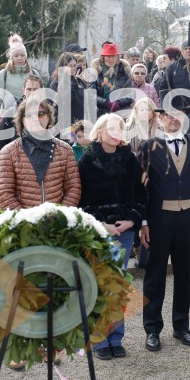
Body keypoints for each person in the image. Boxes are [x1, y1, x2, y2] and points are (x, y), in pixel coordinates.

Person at [78, 113, 146, 359]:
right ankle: (98, 340)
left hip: (124, 232)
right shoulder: (87, 161)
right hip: (98, 232)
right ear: (99, 131)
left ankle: (115, 337)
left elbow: (141, 194)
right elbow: (81, 200)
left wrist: (132, 220)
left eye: (120, 128)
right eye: (111, 129)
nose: (116, 133)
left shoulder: (130, 159)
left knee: (117, 285)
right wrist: (101, 224)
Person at [138, 108, 190, 352]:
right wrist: (143, 223)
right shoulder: (147, 146)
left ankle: (181, 326)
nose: (174, 118)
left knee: (184, 274)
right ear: (160, 118)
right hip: (158, 219)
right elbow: (141, 188)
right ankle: (152, 329)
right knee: (155, 275)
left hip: (188, 218)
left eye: (179, 113)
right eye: (168, 114)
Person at [0, 98, 81, 209]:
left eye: (41, 114)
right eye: (29, 115)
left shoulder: (65, 150)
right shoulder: (8, 152)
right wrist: (26, 218)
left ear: (49, 118)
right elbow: (4, 193)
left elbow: (73, 187)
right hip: (22, 219)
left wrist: (60, 215)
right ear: (22, 120)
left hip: (57, 218)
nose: (35, 119)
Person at [0, 43, 39, 111]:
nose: (19, 58)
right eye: (16, 56)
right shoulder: (3, 74)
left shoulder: (34, 73)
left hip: (30, 113)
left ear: (25, 57)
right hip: (9, 114)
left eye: (22, 55)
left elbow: (41, 96)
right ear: (12, 57)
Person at [92, 42, 135, 116]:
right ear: (103, 58)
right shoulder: (96, 73)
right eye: (108, 56)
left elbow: (131, 94)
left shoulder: (124, 72)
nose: (110, 60)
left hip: (121, 113)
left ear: (118, 58)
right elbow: (91, 95)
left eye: (113, 56)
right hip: (101, 114)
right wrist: (106, 103)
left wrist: (119, 102)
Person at [49, 52, 86, 125]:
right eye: (70, 66)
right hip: (67, 125)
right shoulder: (55, 84)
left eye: (74, 66)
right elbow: (65, 100)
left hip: (81, 124)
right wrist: (74, 83)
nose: (73, 69)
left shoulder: (79, 81)